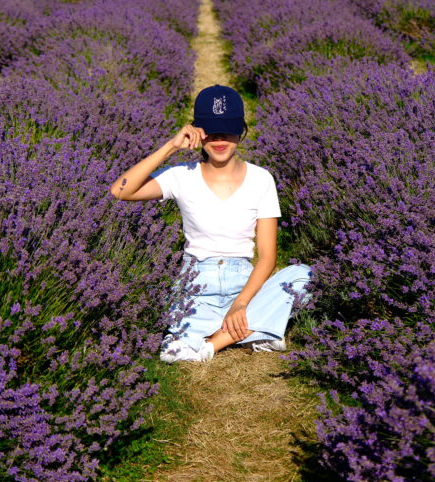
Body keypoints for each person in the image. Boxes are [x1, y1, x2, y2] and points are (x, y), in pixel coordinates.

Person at [110, 84, 311, 363]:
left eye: (227, 129)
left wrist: (241, 303)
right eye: (210, 129)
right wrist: (171, 146)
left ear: (241, 129)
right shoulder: (181, 175)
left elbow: (267, 257)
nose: (219, 138)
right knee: (171, 354)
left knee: (303, 275)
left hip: (244, 283)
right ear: (196, 130)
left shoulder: (261, 178)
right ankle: (255, 330)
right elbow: (121, 191)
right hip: (196, 283)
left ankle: (213, 344)